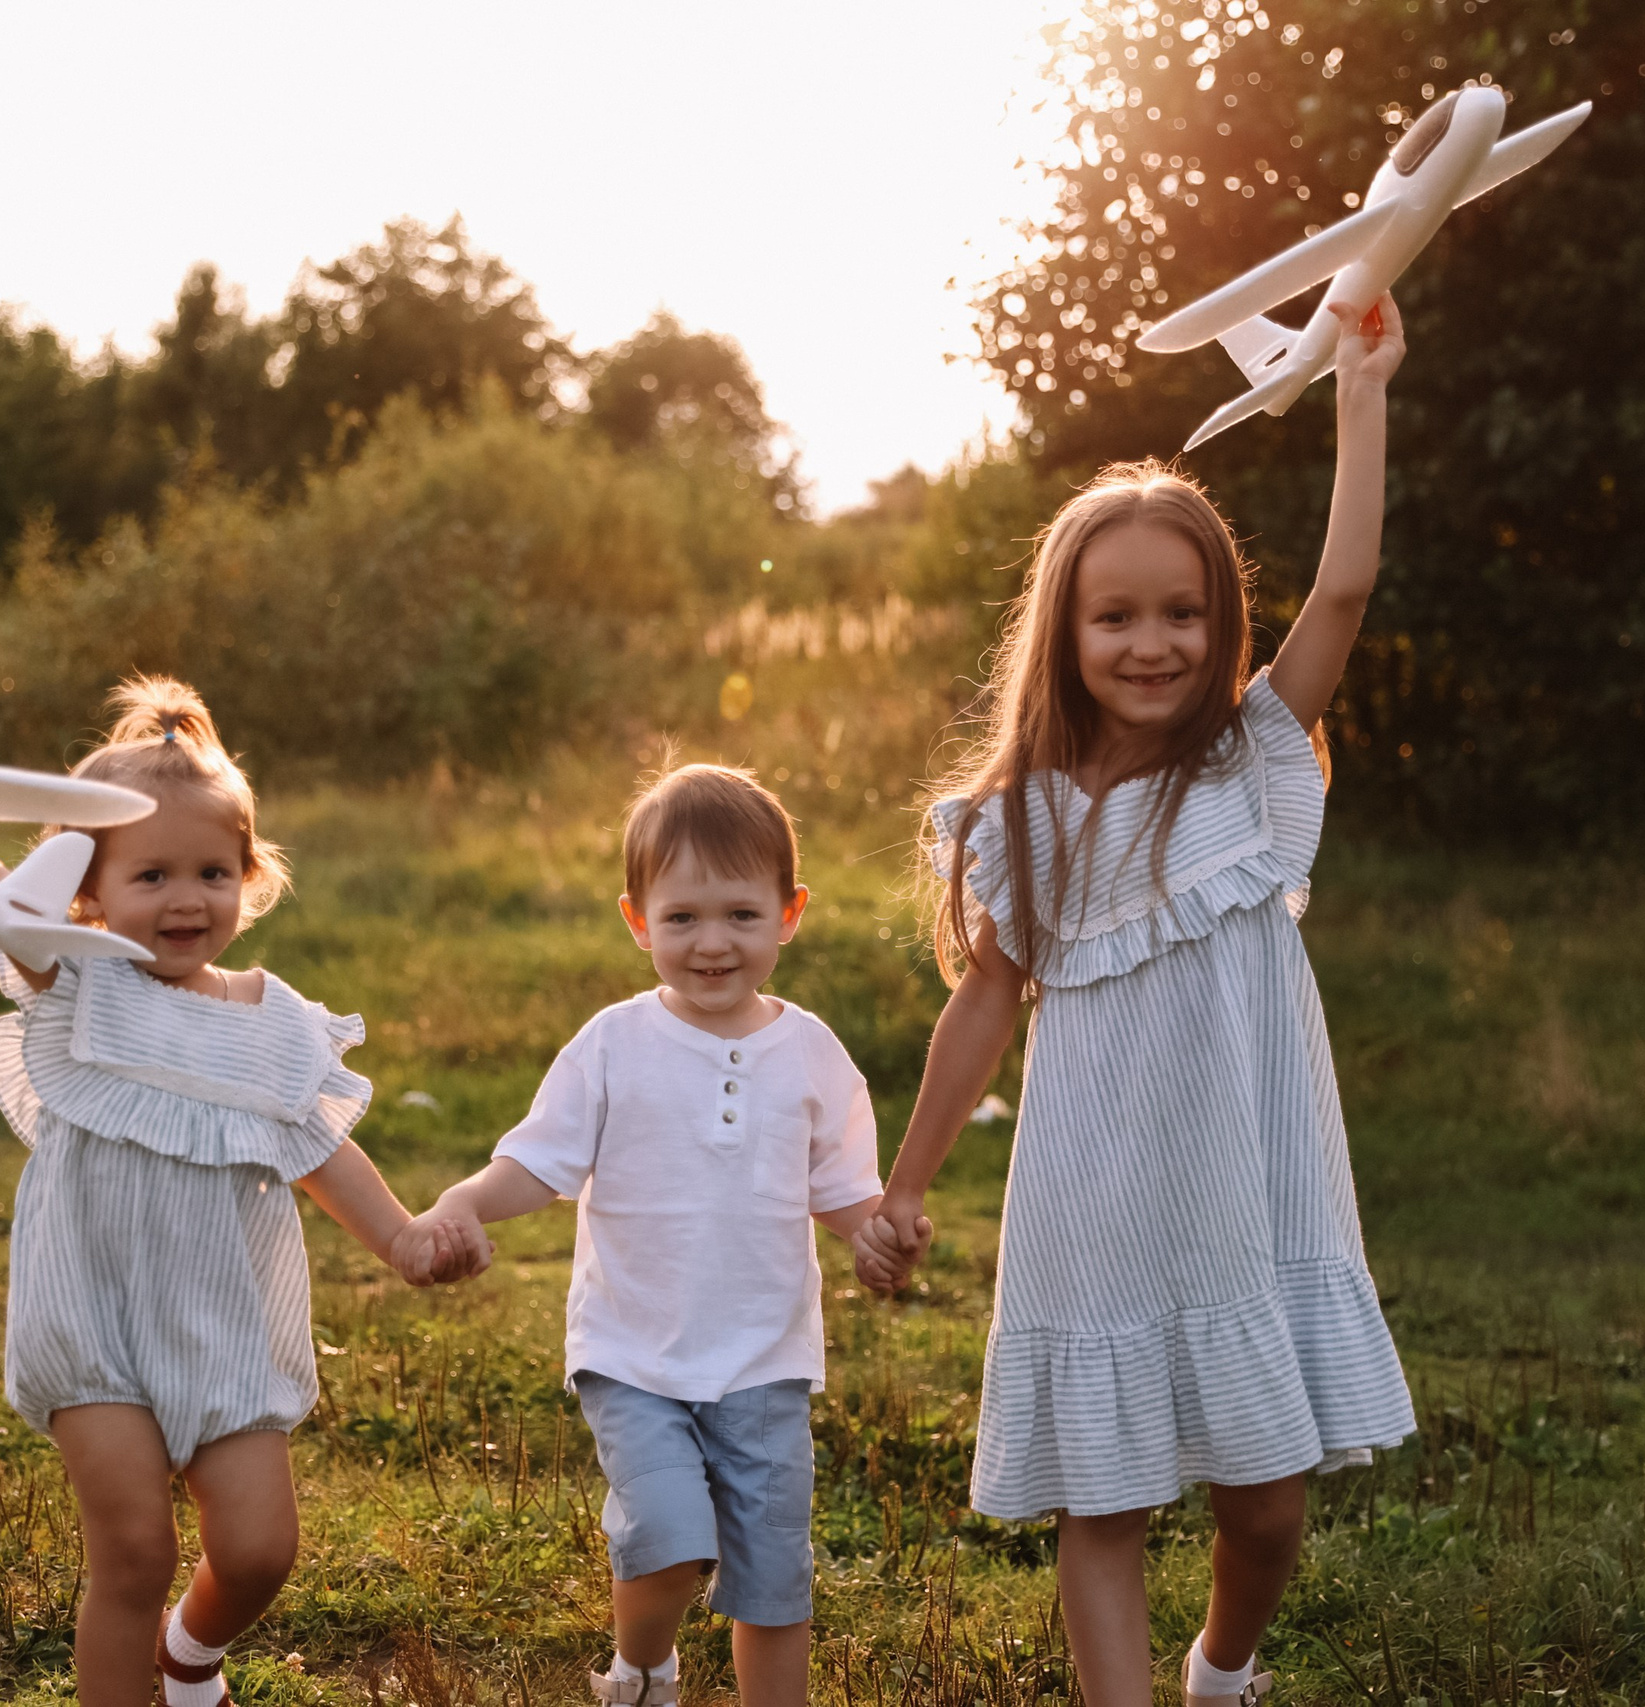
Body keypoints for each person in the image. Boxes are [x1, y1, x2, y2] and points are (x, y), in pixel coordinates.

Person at [860, 298, 1419, 1707]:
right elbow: (985, 1005)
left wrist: (1364, 388)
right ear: (1067, 629)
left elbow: (1345, 589)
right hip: (1092, 1184)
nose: (1152, 641)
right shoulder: (1023, 819)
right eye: (1117, 615)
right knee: (1101, 1501)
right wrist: (905, 1182)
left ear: (1221, 621)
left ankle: (1221, 1666)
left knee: (1269, 1494)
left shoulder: (1251, 759)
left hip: (1249, 1166)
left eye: (1183, 612)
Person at [0, 675, 479, 1707]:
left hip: (220, 1324)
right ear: (89, 893)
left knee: (257, 1551)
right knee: (135, 1554)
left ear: (250, 876)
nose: (186, 898)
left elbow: (318, 1149)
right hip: (91, 1316)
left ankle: (190, 1655)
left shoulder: (276, 1024)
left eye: (212, 870)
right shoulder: (79, 976)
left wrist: (405, 1240)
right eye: (151, 874)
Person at [392, 763, 897, 1707]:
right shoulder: (613, 1045)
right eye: (683, 918)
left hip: (766, 1361)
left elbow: (844, 1193)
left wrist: (877, 1236)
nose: (713, 943)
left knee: (773, 1581)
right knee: (668, 1540)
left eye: (742, 915)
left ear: (790, 913)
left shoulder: (814, 1054)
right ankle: (644, 1670)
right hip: (635, 1357)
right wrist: (460, 1199)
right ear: (638, 920)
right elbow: (536, 1165)